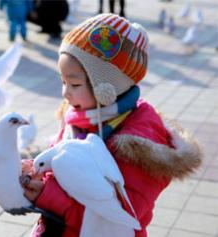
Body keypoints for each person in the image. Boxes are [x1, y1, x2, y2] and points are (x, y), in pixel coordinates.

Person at [21, 13, 202, 237]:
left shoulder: (139, 143)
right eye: (63, 81)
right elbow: (66, 169)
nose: (65, 93)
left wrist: (48, 195)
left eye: (74, 84)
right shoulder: (79, 114)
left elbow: (121, 218)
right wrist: (38, 171)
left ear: (106, 89)